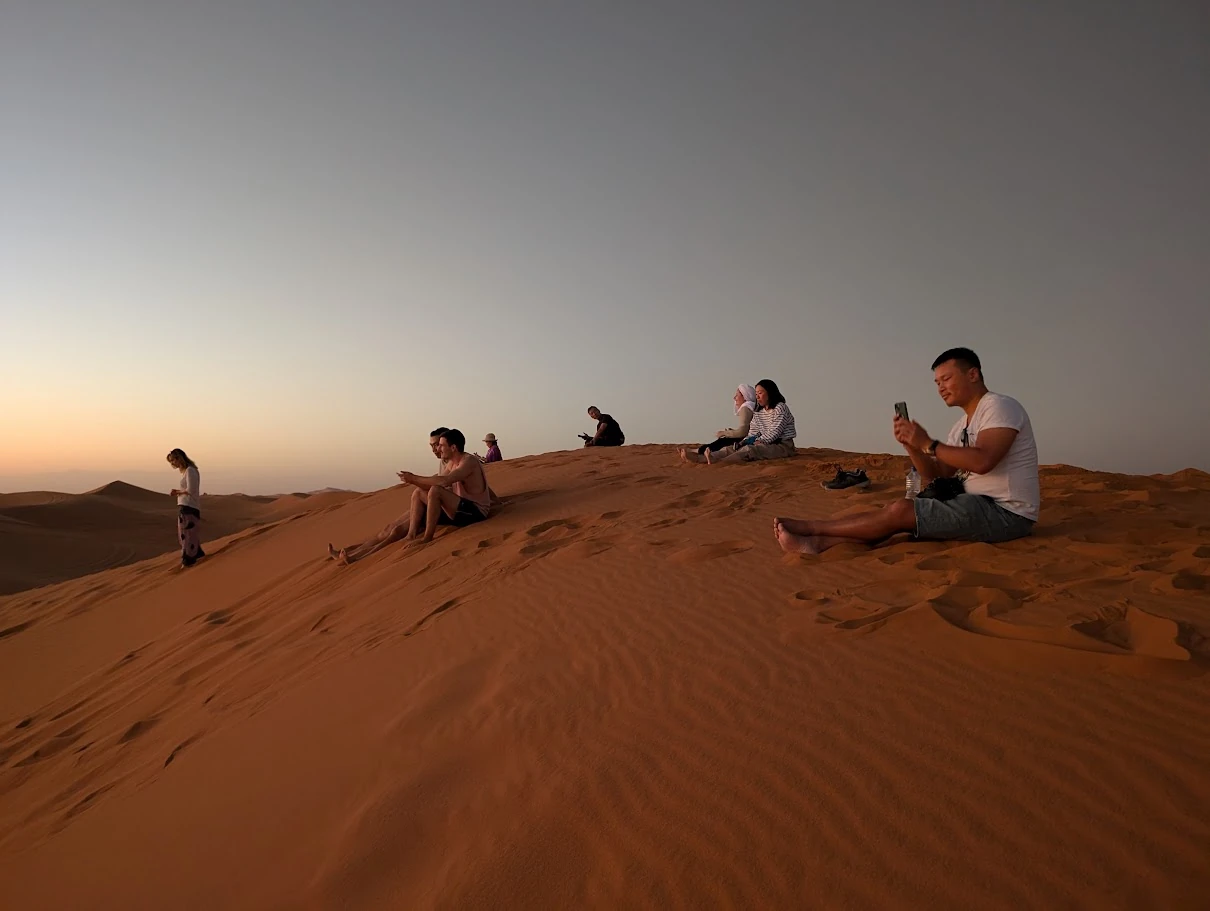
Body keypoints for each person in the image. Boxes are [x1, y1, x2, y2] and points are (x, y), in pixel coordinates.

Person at [774, 348, 1039, 554]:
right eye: (936, 383)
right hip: (974, 505)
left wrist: (929, 444)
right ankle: (819, 544)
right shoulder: (961, 425)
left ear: (973, 374)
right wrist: (912, 446)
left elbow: (984, 460)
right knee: (901, 523)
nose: (940, 388)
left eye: (946, 378)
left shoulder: (999, 406)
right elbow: (936, 476)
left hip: (1006, 513)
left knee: (901, 511)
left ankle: (810, 527)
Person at [327, 427, 450, 564]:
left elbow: (445, 487)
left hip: (440, 509)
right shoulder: (443, 461)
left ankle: (358, 557)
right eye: (431, 445)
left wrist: (415, 479)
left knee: (396, 532)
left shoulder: (456, 461)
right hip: (427, 502)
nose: (434, 449)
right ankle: (347, 551)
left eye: (437, 445)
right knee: (388, 529)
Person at [399, 428, 492, 545]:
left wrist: (414, 478)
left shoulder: (469, 462)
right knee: (418, 492)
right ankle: (410, 535)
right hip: (460, 509)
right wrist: (412, 481)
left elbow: (444, 481)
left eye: (441, 445)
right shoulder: (452, 462)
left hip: (476, 513)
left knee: (436, 491)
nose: (438, 449)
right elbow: (437, 482)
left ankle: (427, 537)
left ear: (453, 448)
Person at [693, 379, 796, 465]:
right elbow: (753, 431)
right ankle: (702, 459)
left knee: (750, 450)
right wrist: (745, 441)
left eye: (760, 393)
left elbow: (775, 431)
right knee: (733, 448)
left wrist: (759, 441)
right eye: (756, 394)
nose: (757, 397)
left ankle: (721, 462)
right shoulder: (758, 411)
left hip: (782, 446)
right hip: (763, 442)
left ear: (770, 393)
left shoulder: (780, 408)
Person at [680, 384, 757, 463]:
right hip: (750, 437)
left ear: (745, 397)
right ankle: (697, 453)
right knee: (724, 441)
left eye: (737, 395)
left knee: (723, 441)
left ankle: (697, 454)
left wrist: (725, 433)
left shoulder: (746, 407)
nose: (734, 398)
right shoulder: (750, 407)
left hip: (750, 439)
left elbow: (743, 432)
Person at [167, 448, 205, 567]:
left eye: (173, 460)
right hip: (186, 506)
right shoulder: (187, 471)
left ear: (179, 458)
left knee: (187, 534)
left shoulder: (190, 471)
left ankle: (188, 560)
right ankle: (196, 554)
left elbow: (191, 490)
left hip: (189, 506)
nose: (172, 464)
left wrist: (177, 492)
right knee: (185, 533)